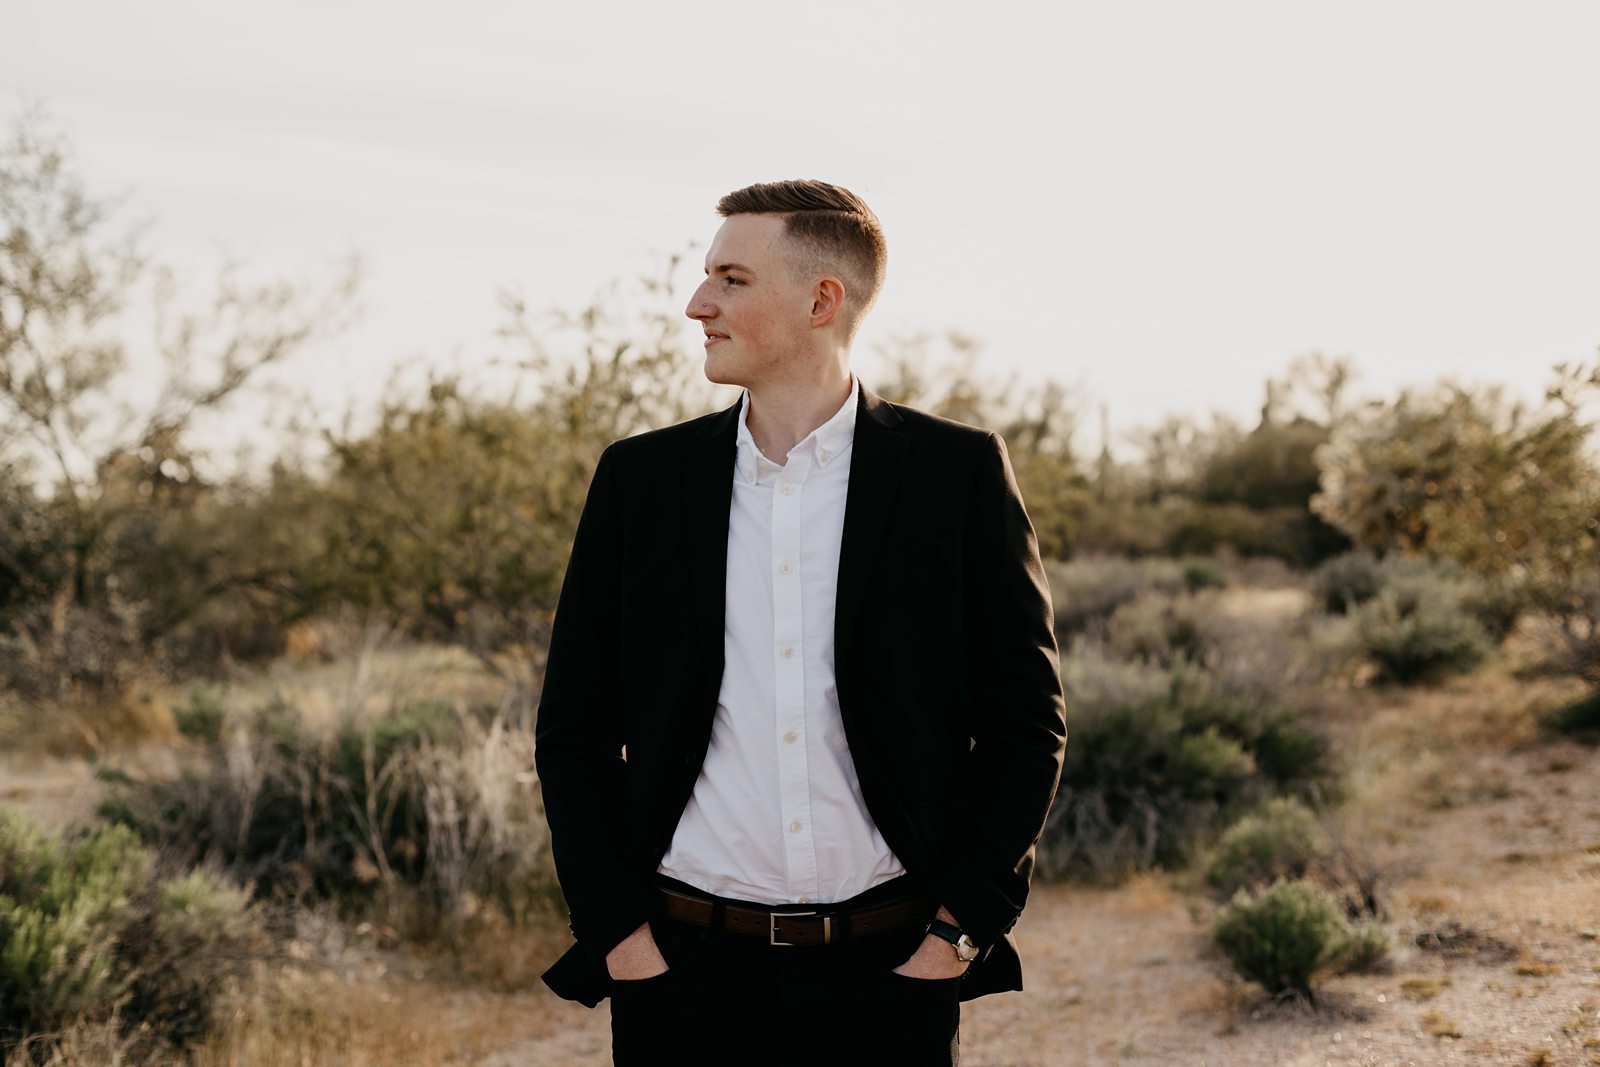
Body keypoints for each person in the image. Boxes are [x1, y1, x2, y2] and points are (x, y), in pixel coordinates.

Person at [534, 179, 1067, 1066]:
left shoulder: (957, 475)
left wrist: (955, 938)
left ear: (823, 300)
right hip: (681, 977)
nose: (698, 303)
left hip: (892, 974)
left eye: (733, 278)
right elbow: (574, 731)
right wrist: (623, 941)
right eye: (707, 276)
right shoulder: (642, 483)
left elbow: (1026, 723)